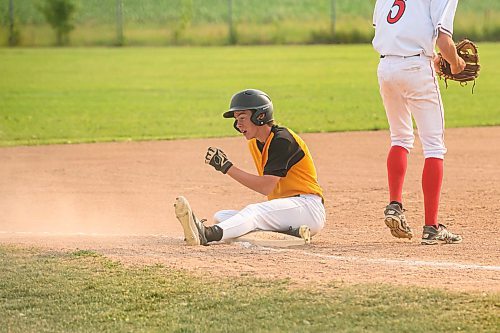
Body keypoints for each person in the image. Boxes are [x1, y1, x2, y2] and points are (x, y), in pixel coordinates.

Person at [174, 89, 326, 246]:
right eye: (236, 119)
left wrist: (227, 167)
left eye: (242, 117)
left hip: (307, 208)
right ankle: (292, 233)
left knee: (253, 213)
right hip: (287, 212)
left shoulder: (283, 140)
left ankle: (207, 234)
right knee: (223, 216)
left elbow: (266, 187)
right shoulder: (254, 142)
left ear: (260, 116)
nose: (238, 124)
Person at [372, 0, 464, 244]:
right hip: (416, 69)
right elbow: (445, 42)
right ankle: (432, 228)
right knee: (434, 146)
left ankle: (395, 205)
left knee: (400, 137)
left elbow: (397, 30)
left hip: (386, 67)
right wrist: (455, 64)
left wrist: (430, 55)